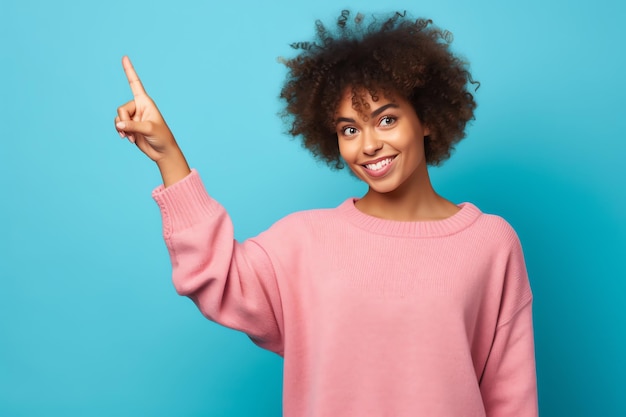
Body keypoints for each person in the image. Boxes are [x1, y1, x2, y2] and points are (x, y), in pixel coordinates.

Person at [114, 10, 538, 417]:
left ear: (425, 119)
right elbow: (215, 276)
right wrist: (169, 157)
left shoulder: (490, 243)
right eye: (349, 129)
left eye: (386, 120)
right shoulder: (304, 239)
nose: (368, 145)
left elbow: (510, 398)